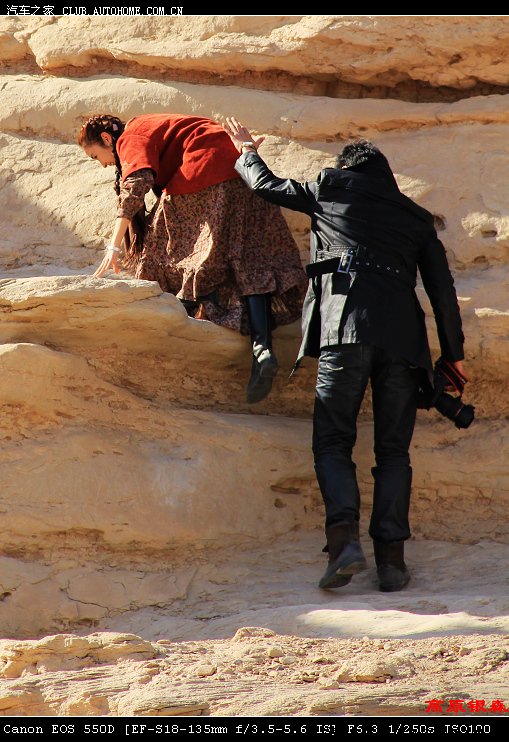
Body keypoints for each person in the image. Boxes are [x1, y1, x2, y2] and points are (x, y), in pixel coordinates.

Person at [223, 116, 466, 592]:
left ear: (346, 168)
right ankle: (391, 562)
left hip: (343, 329)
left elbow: (265, 185)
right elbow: (443, 293)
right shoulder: (415, 218)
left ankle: (344, 545)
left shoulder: (328, 189)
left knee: (333, 441)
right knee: (393, 452)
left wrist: (247, 150)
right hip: (403, 341)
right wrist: (453, 356)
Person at [77, 113, 307, 404]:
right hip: (244, 172)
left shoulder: (132, 133)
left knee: (161, 246)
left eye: (96, 156)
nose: (103, 164)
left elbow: (137, 182)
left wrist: (113, 246)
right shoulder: (158, 124)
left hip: (202, 174)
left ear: (107, 139)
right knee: (249, 263)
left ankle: (186, 318)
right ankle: (262, 349)